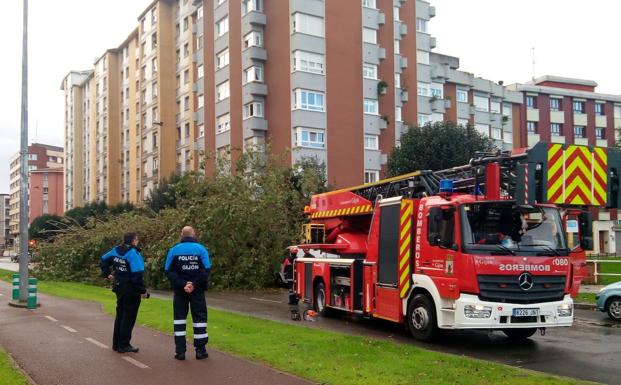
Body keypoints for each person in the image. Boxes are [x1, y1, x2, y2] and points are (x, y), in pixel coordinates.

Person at [164, 226, 211, 361]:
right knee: (199, 319)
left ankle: (180, 352)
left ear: (181, 235)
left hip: (180, 290)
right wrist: (193, 284)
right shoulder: (201, 249)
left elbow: (168, 271)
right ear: (194, 234)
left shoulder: (174, 250)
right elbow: (206, 270)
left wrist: (182, 283)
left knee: (179, 320)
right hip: (197, 290)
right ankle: (200, 351)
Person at [100, 232, 148, 353]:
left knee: (120, 315)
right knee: (129, 317)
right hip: (131, 289)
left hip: (119, 287)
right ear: (133, 241)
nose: (137, 242)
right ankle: (124, 344)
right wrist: (143, 291)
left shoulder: (116, 250)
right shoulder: (133, 254)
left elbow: (103, 259)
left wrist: (107, 274)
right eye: (137, 240)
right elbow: (137, 276)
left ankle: (116, 344)